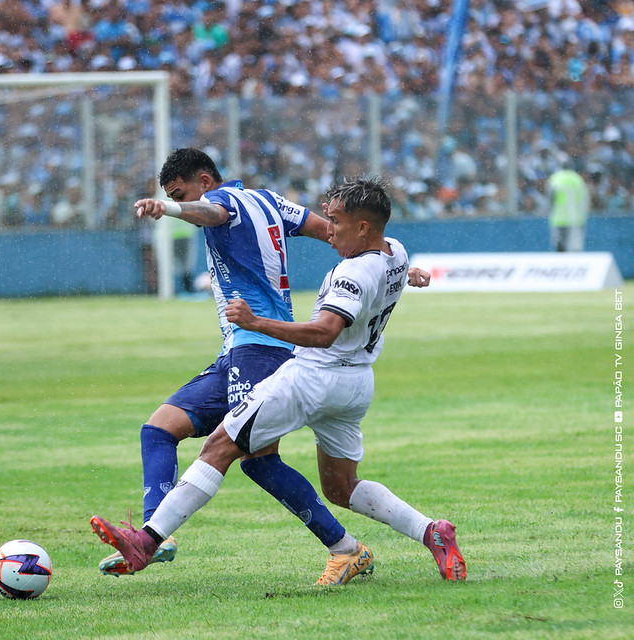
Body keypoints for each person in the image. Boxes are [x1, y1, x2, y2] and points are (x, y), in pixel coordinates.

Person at [90, 177, 464, 586]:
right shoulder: (394, 252)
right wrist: (409, 272)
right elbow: (384, 265)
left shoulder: (353, 272)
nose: (329, 229)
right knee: (341, 486)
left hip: (313, 377)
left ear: (363, 228)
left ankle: (146, 541)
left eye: (336, 222)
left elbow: (324, 332)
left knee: (220, 446)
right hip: (356, 384)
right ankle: (432, 532)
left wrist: (255, 322)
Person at [94, 146, 334, 577]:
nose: (182, 200)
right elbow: (333, 232)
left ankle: (344, 546)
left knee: (259, 460)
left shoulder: (223, 202)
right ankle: (156, 533)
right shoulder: (270, 200)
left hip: (260, 347)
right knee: (159, 429)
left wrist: (167, 208)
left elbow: (212, 214)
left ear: (204, 182)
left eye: (181, 191)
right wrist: (387, 256)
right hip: (238, 351)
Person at [546, 164, 589, 252]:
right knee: (575, 248)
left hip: (560, 219)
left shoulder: (556, 178)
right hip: (577, 219)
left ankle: (562, 264)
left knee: (561, 248)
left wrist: (550, 210)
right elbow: (585, 197)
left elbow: (550, 197)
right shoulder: (578, 179)